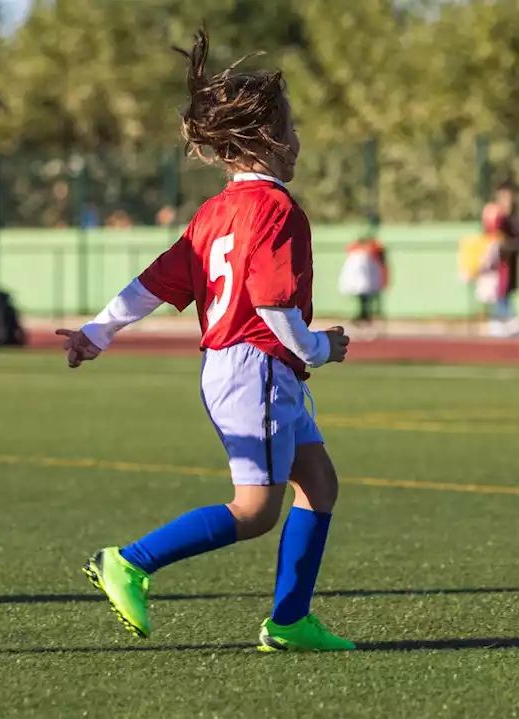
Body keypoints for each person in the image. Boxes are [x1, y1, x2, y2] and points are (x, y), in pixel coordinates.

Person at [55, 27, 353, 652]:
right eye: (292, 129)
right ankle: (129, 561)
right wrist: (320, 347)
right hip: (258, 367)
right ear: (267, 139)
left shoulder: (214, 213)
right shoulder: (276, 210)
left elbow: (155, 282)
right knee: (254, 510)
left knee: (318, 483)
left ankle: (292, 620)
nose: (298, 140)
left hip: (243, 368)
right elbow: (273, 307)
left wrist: (96, 331)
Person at [481, 180, 519, 337]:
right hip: (498, 262)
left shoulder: (513, 217)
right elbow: (489, 234)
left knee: (504, 293)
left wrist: (509, 246)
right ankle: (503, 323)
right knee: (498, 293)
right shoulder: (497, 215)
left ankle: (507, 322)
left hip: (509, 261)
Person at [338, 234, 388, 324]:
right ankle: (363, 315)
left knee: (367, 299)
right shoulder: (357, 253)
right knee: (363, 299)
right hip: (361, 282)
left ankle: (365, 315)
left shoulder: (369, 254)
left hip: (367, 282)